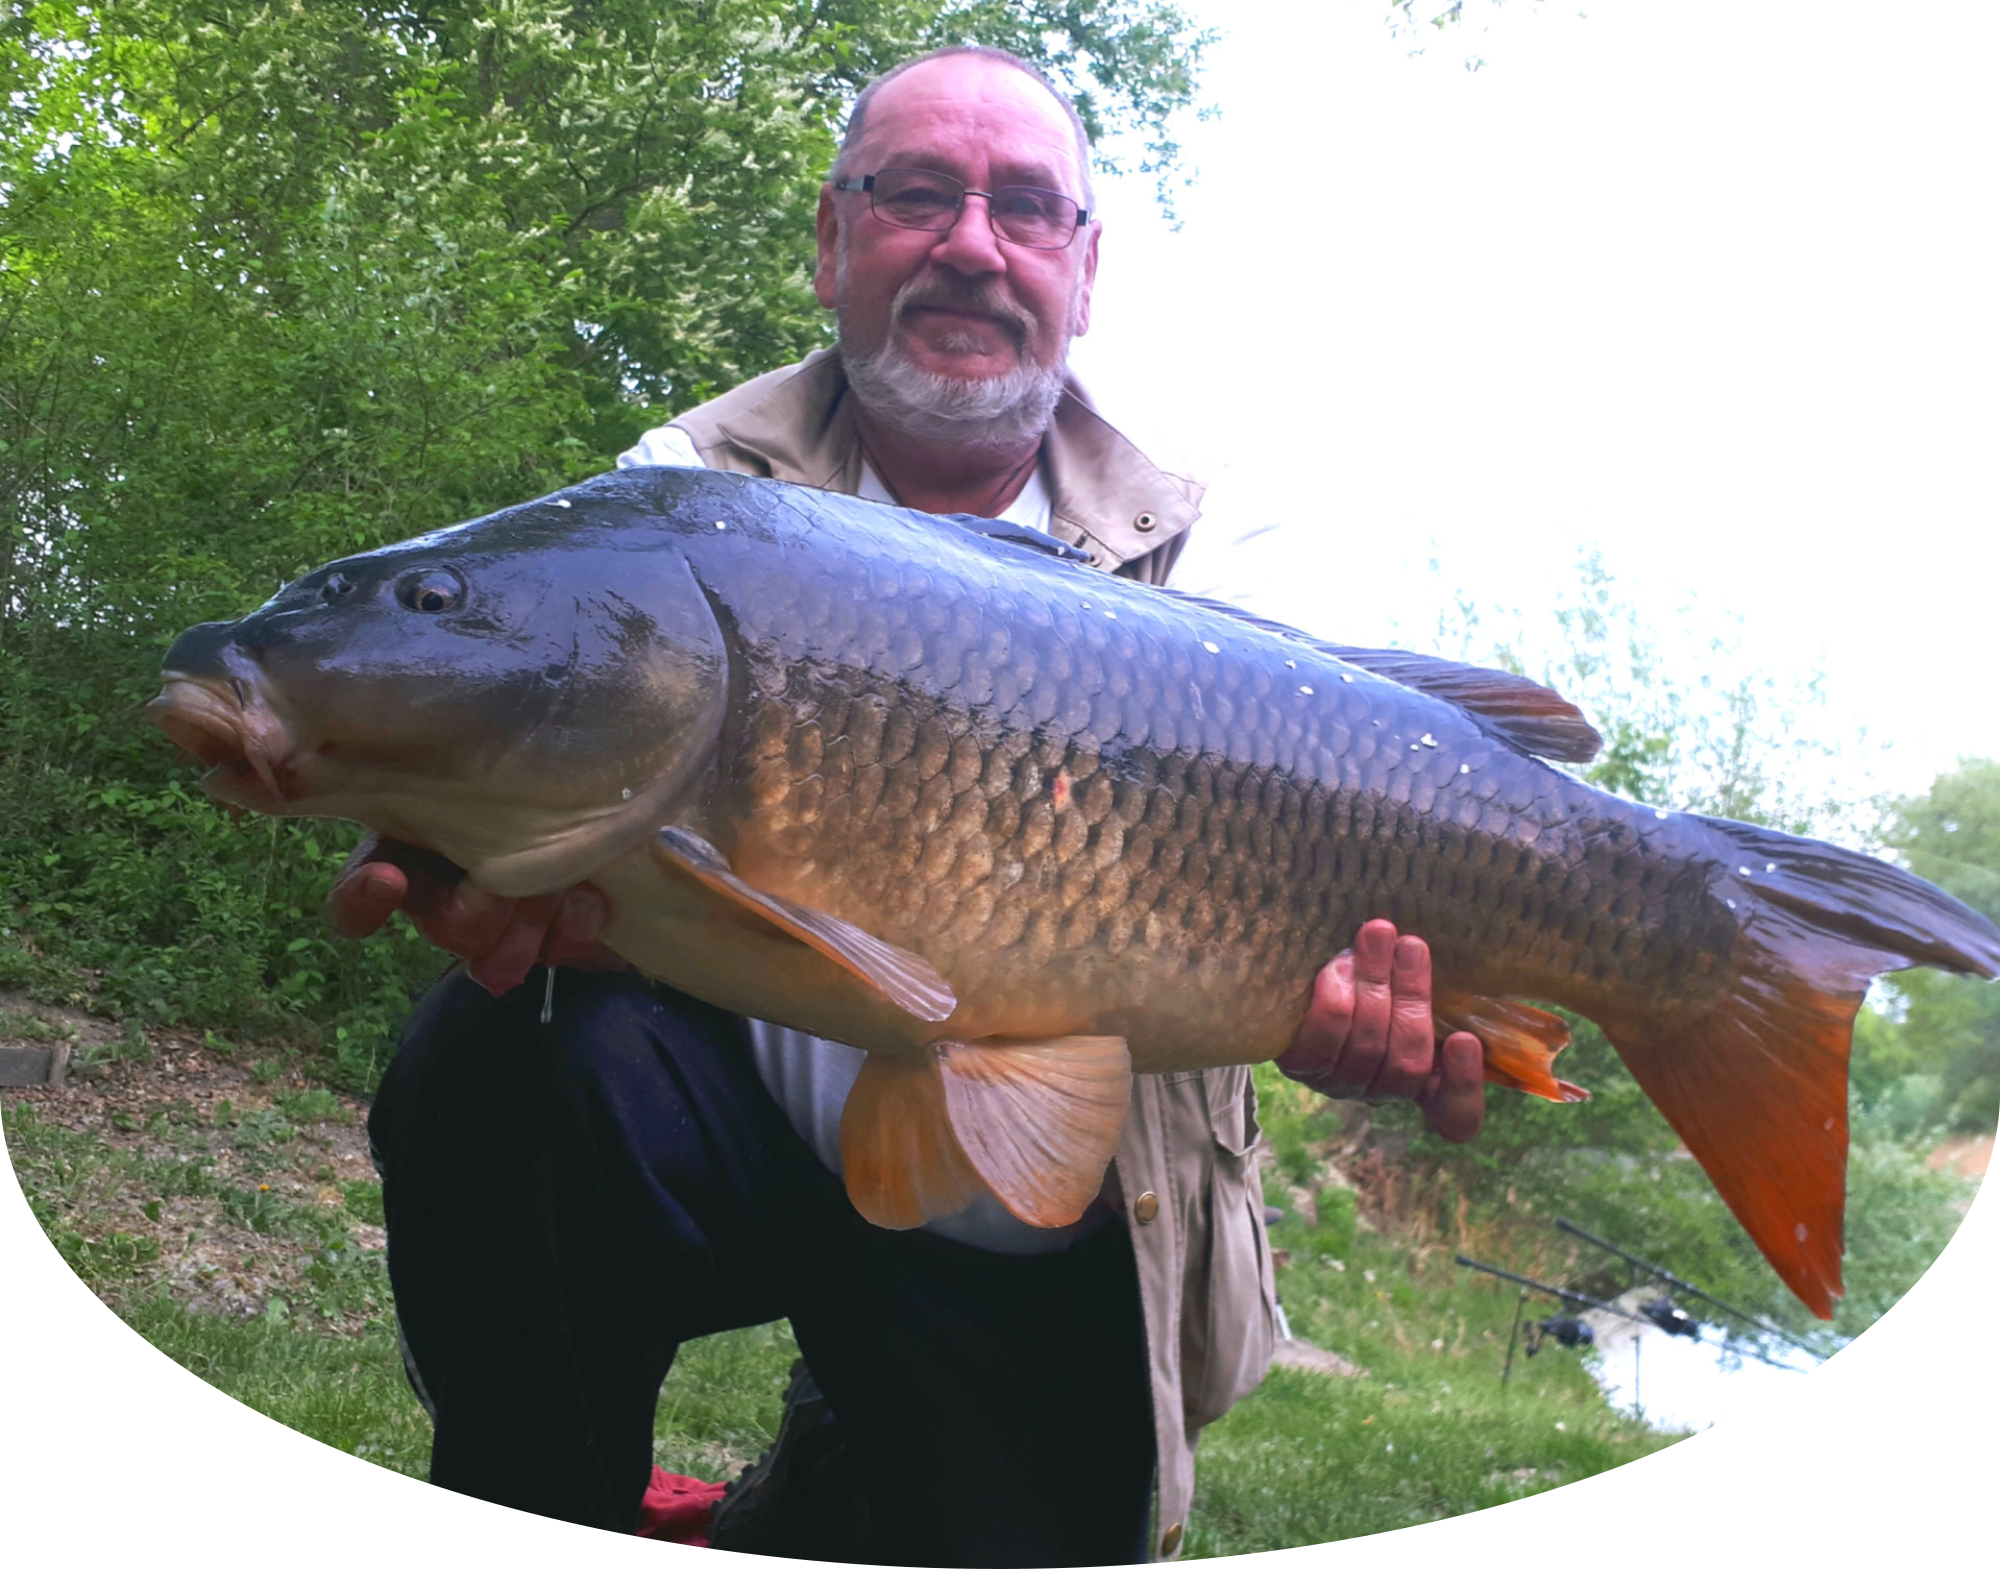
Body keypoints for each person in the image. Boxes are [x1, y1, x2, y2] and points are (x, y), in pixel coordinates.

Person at [337, 46, 1487, 1566]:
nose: (972, 245)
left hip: (1059, 1216)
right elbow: (554, 769)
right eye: (917, 195)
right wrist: (490, 862)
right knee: (495, 1060)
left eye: (1026, 208)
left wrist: (1376, 1015)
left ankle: (837, 1462)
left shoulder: (1219, 530)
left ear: (1084, 269)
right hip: (740, 1129)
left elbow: (1354, 863)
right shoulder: (689, 485)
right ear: (832, 240)